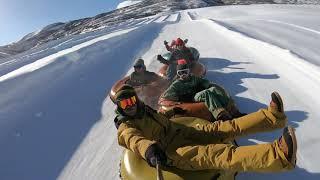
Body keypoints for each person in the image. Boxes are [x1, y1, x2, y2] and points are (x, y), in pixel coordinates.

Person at [113, 84, 297, 174]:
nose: (128, 105)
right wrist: (150, 150)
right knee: (216, 153)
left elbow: (159, 121)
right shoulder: (125, 126)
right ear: (119, 106)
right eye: (124, 103)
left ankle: (273, 117)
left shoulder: (143, 111)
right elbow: (133, 140)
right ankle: (279, 156)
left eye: (131, 101)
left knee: (222, 128)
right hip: (169, 151)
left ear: (136, 100)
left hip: (180, 131)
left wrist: (170, 112)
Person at [161, 59, 244, 121]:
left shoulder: (193, 78)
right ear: (178, 74)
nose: (183, 75)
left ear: (188, 71)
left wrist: (207, 85)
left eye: (185, 72)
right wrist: (175, 102)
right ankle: (220, 115)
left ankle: (234, 111)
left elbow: (204, 82)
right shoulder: (176, 84)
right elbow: (164, 98)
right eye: (180, 73)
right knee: (206, 93)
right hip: (189, 99)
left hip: (197, 94)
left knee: (214, 89)